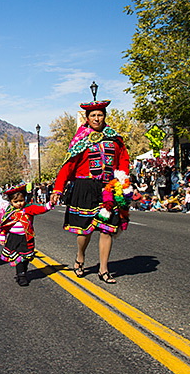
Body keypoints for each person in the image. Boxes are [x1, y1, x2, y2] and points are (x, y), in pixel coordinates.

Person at [50, 97, 130, 284]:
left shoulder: (114, 138)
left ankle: (103, 269)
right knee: (85, 231)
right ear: (87, 118)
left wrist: (123, 178)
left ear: (104, 116)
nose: (97, 118)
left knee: (107, 229)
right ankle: (80, 256)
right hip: (84, 187)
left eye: (100, 115)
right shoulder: (81, 139)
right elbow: (68, 165)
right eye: (93, 115)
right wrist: (58, 188)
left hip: (108, 188)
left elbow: (123, 160)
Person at [0, 183, 52, 286]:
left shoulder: (28, 209)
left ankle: (23, 271)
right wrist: (2, 235)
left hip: (26, 238)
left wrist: (49, 205)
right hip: (14, 238)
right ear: (11, 201)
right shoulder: (10, 211)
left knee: (25, 257)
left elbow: (39, 209)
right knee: (18, 257)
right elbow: (5, 225)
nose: (19, 203)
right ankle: (21, 275)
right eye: (16, 201)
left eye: (21, 201)